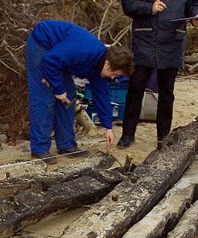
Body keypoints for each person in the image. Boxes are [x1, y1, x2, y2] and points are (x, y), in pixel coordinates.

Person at [118, 0, 198, 148]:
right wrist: (149, 8)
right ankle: (128, 134)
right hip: (144, 40)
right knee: (136, 88)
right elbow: (127, 3)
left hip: (172, 42)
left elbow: (195, 2)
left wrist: (195, 15)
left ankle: (163, 136)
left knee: (167, 92)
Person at [26, 19, 134, 162]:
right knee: (45, 98)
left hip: (59, 56)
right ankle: (40, 148)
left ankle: (66, 145)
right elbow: (50, 60)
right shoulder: (85, 50)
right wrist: (58, 88)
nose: (114, 78)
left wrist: (108, 127)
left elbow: (102, 95)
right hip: (43, 45)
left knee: (69, 99)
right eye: (115, 74)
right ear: (108, 65)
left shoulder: (100, 67)